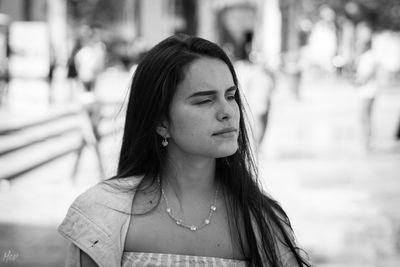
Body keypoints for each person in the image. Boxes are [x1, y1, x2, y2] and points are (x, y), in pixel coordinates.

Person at [58, 34, 311, 267]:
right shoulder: (104, 214)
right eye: (204, 100)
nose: (228, 112)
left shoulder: (262, 222)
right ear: (161, 122)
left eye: (231, 96)